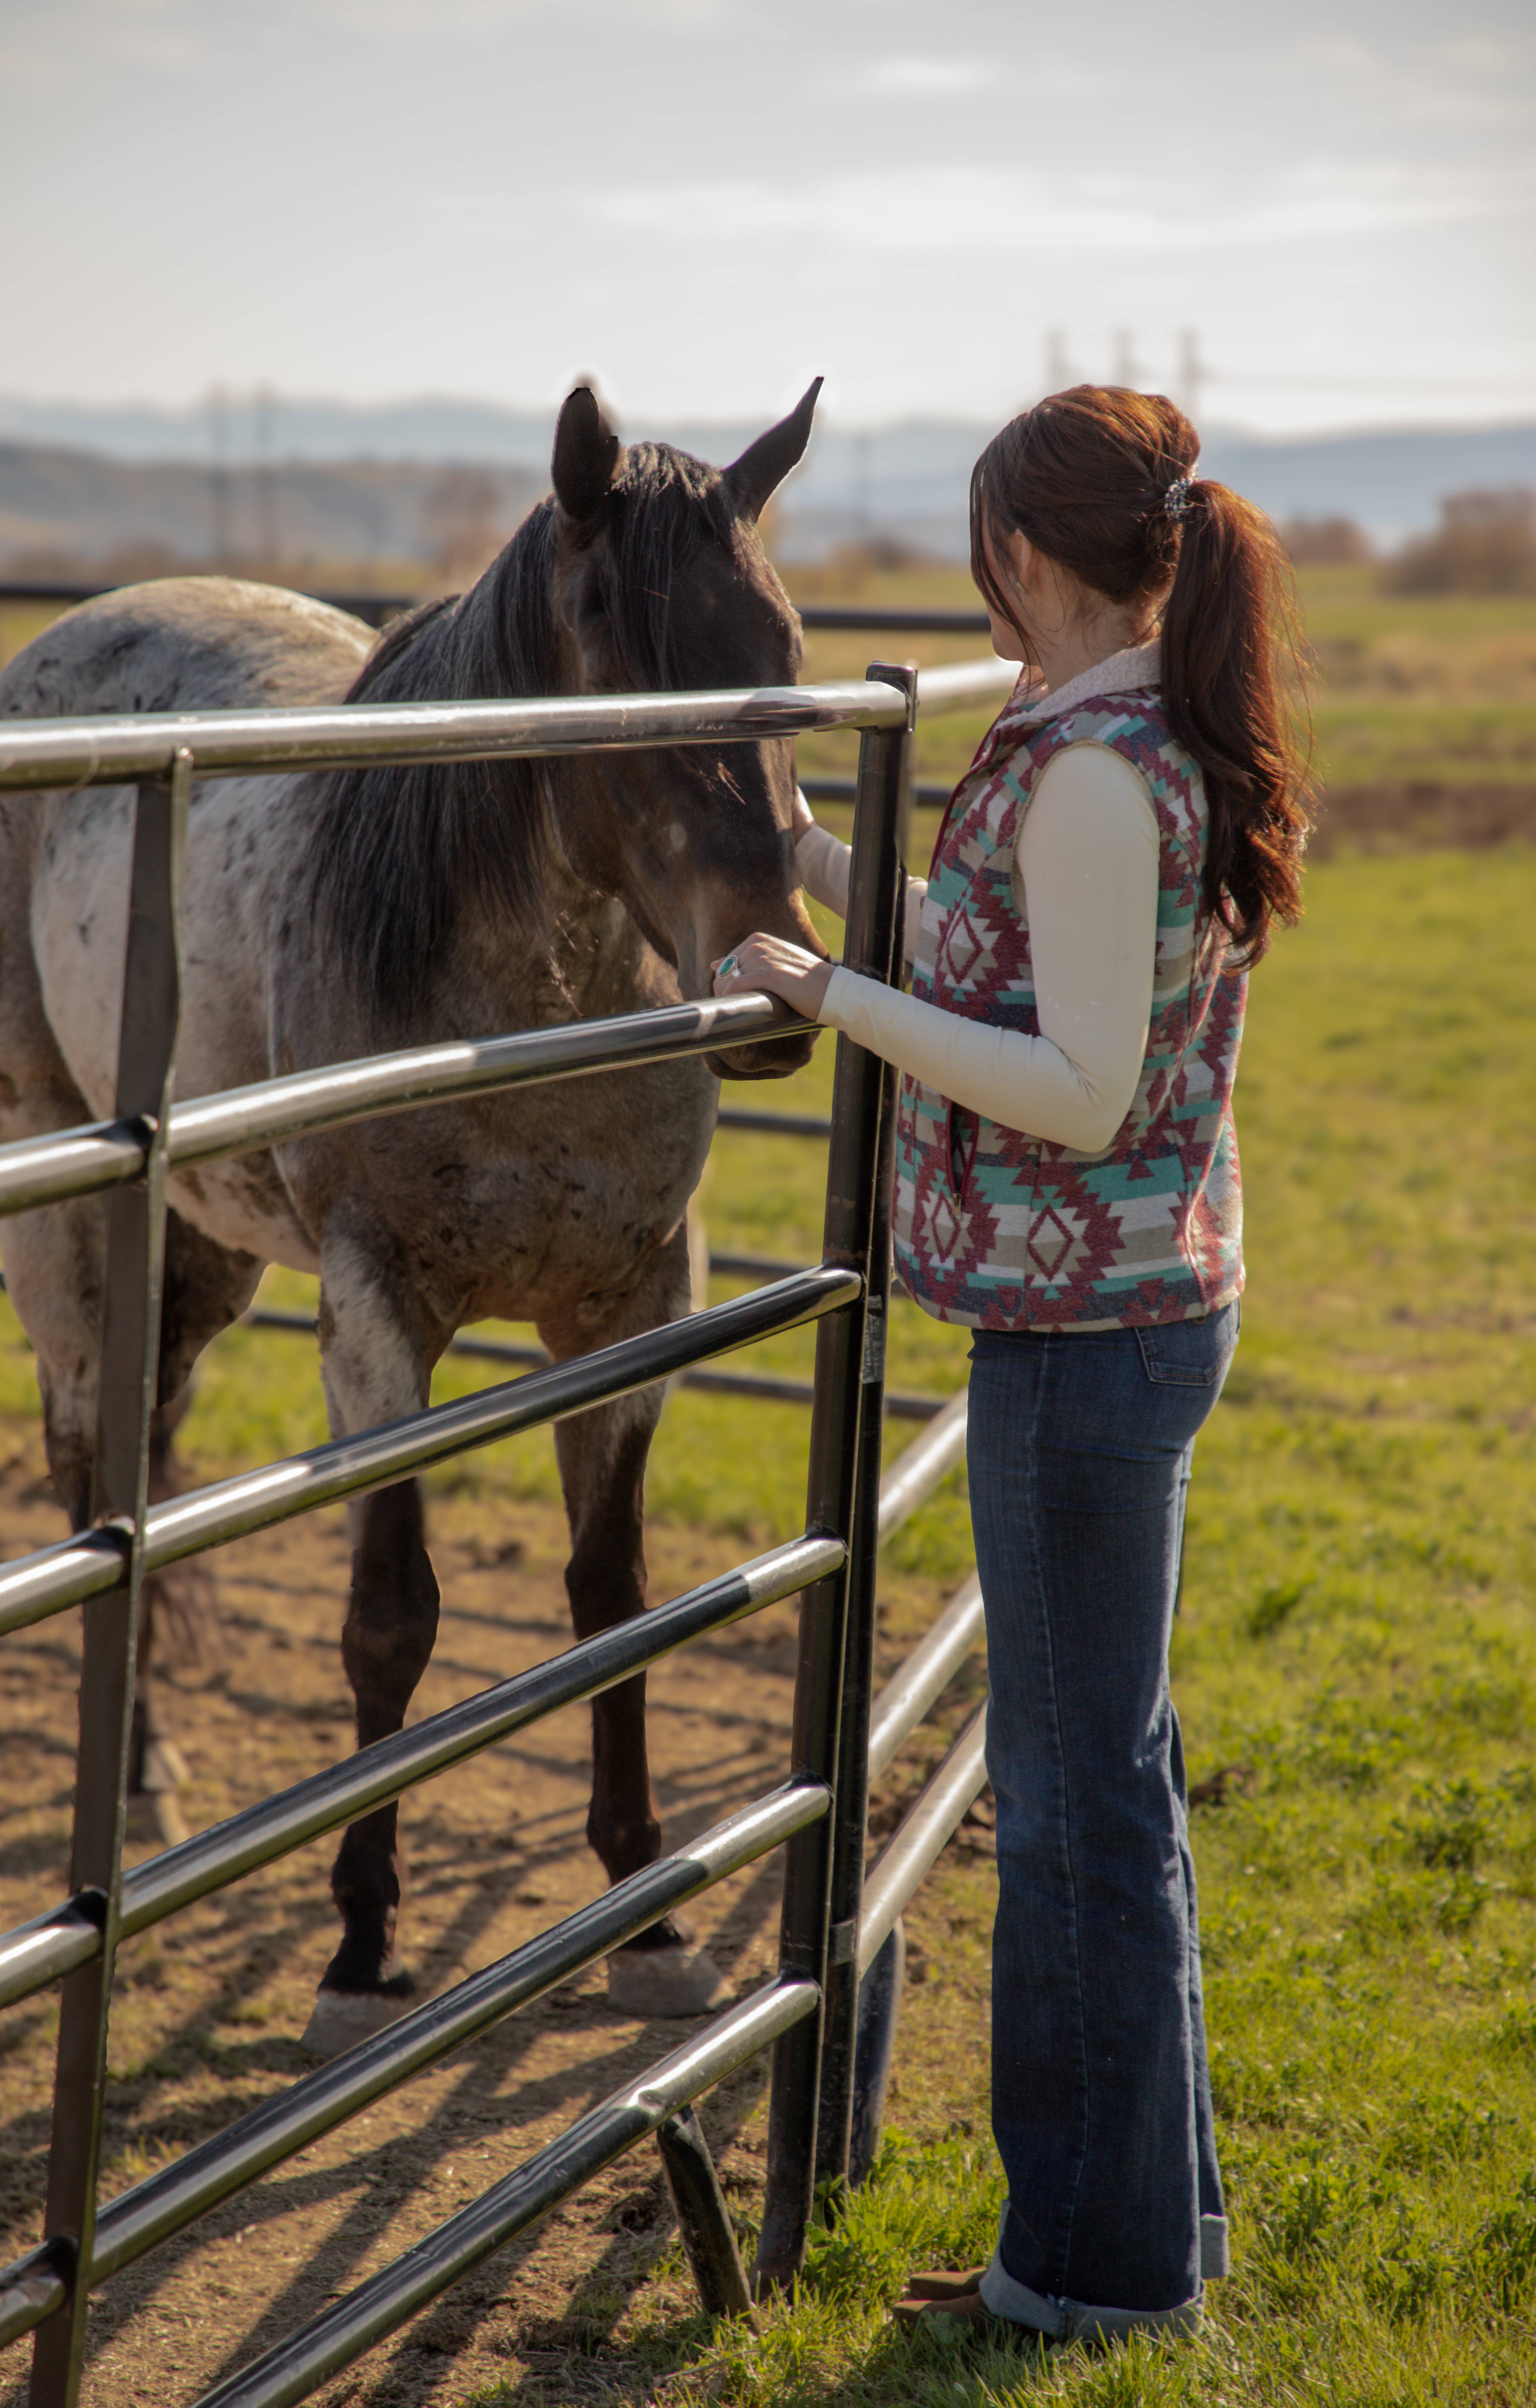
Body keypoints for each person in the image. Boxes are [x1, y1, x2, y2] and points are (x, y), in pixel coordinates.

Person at [712, 385, 1310, 2344]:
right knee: (1108, 1788)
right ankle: (1152, 2238)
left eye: (983, 551)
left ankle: (1080, 2275)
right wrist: (806, 866)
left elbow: (1063, 1081)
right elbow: (1008, 977)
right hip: (1138, 1304)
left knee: (1067, 1812)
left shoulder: (1085, 769)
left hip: (1083, 1333)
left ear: (1023, 559)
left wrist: (836, 1005)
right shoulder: (1119, 734)